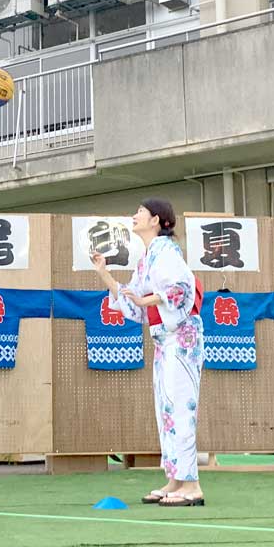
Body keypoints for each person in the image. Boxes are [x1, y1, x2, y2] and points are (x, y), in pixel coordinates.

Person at [92, 198, 206, 507]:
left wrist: (149, 300)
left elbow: (182, 288)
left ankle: (192, 484)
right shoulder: (148, 258)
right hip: (164, 338)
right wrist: (104, 273)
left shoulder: (168, 252)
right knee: (166, 409)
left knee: (181, 406)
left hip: (181, 337)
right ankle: (175, 479)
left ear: (155, 219)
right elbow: (132, 301)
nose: (134, 215)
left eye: (140, 212)